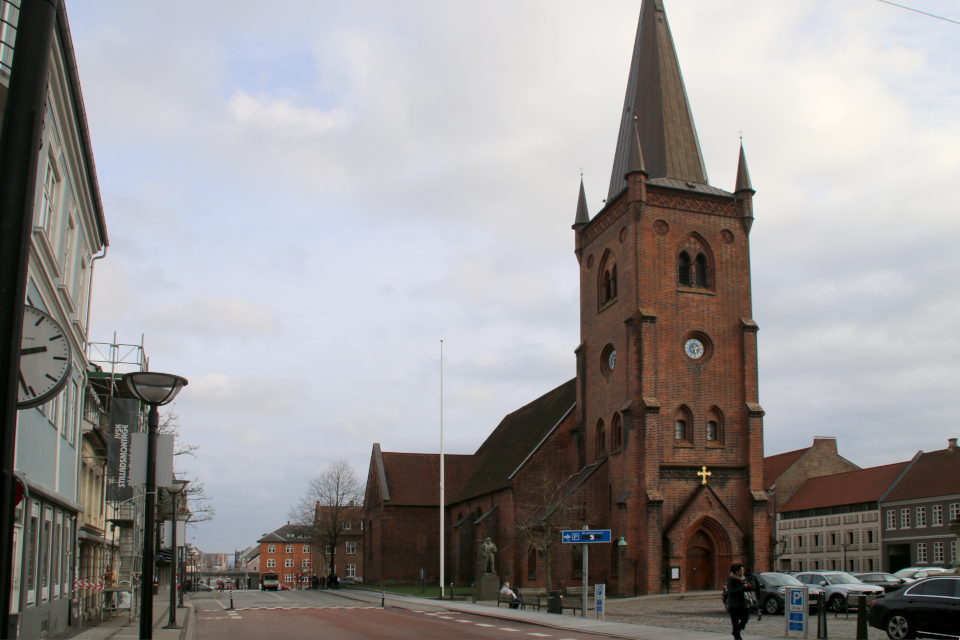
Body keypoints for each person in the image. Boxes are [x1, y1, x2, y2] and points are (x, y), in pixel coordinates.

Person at [725, 564, 753, 640]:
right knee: (735, 621)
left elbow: (747, 589)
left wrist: (749, 587)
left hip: (743, 603)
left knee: (745, 619)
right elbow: (732, 591)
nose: (743, 571)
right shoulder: (731, 580)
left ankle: (736, 630)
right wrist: (743, 587)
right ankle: (737, 637)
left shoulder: (743, 578)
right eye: (742, 570)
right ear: (737, 572)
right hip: (734, 604)